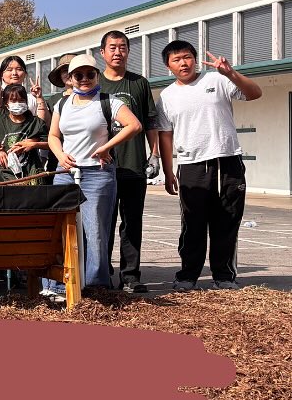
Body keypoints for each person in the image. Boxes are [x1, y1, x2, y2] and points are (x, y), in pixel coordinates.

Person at [156, 40, 262, 290]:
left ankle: (224, 276)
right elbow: (165, 135)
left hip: (227, 160)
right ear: (168, 66)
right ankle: (188, 275)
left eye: (187, 57)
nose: (183, 63)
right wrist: (168, 171)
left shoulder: (218, 80)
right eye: (176, 59)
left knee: (227, 220)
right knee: (192, 223)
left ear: (194, 58)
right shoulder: (167, 96)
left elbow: (255, 93)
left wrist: (231, 73)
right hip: (191, 164)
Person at [47, 54, 142, 291]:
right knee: (60, 229)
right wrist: (60, 156)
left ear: (97, 75)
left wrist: (106, 147)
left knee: (95, 231)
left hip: (97, 174)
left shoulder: (108, 101)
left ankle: (95, 285)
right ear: (70, 79)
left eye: (90, 74)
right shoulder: (61, 104)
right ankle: (57, 284)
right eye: (79, 75)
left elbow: (135, 125)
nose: (85, 79)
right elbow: (53, 135)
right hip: (65, 172)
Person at [98, 30, 158, 292]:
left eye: (122, 47)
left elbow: (151, 122)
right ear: (102, 53)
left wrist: (154, 154)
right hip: (102, 168)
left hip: (134, 165)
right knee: (103, 224)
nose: (117, 52)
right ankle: (102, 274)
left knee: (132, 222)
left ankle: (130, 276)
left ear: (128, 51)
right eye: (112, 47)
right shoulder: (93, 82)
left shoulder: (139, 83)